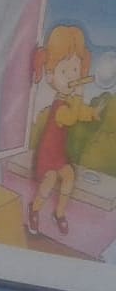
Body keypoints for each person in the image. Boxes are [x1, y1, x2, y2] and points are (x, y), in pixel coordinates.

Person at [29, 25, 104, 235]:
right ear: (50, 75)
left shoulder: (68, 101)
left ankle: (59, 213)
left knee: (69, 176)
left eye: (75, 70)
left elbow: (79, 113)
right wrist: (79, 94)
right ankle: (34, 210)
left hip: (59, 154)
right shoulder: (60, 107)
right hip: (48, 154)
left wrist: (93, 113)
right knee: (50, 180)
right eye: (64, 71)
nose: (72, 76)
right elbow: (71, 118)